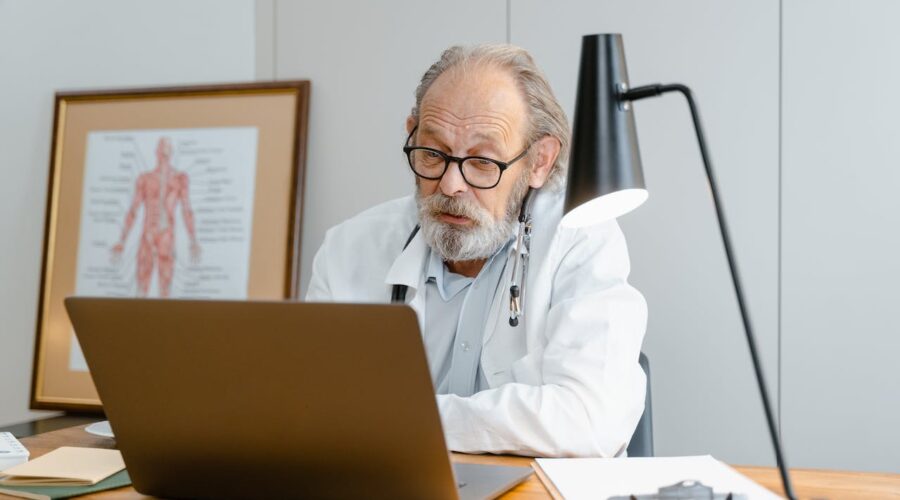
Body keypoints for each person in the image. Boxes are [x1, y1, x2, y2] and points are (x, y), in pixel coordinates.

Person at [306, 44, 647, 458]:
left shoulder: (581, 238)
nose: (451, 185)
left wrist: (410, 421)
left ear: (540, 160)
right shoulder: (349, 249)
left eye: (482, 163)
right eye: (433, 154)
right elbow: (319, 415)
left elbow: (591, 420)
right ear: (412, 131)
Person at [112, 137, 201, 297]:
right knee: (141, 288)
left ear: (171, 153)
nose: (163, 154)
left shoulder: (179, 179)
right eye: (161, 150)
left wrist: (193, 239)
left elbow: (187, 210)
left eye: (166, 150)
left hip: (166, 236)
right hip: (147, 236)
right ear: (156, 153)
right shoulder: (145, 179)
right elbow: (133, 209)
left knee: (165, 290)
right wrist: (121, 241)